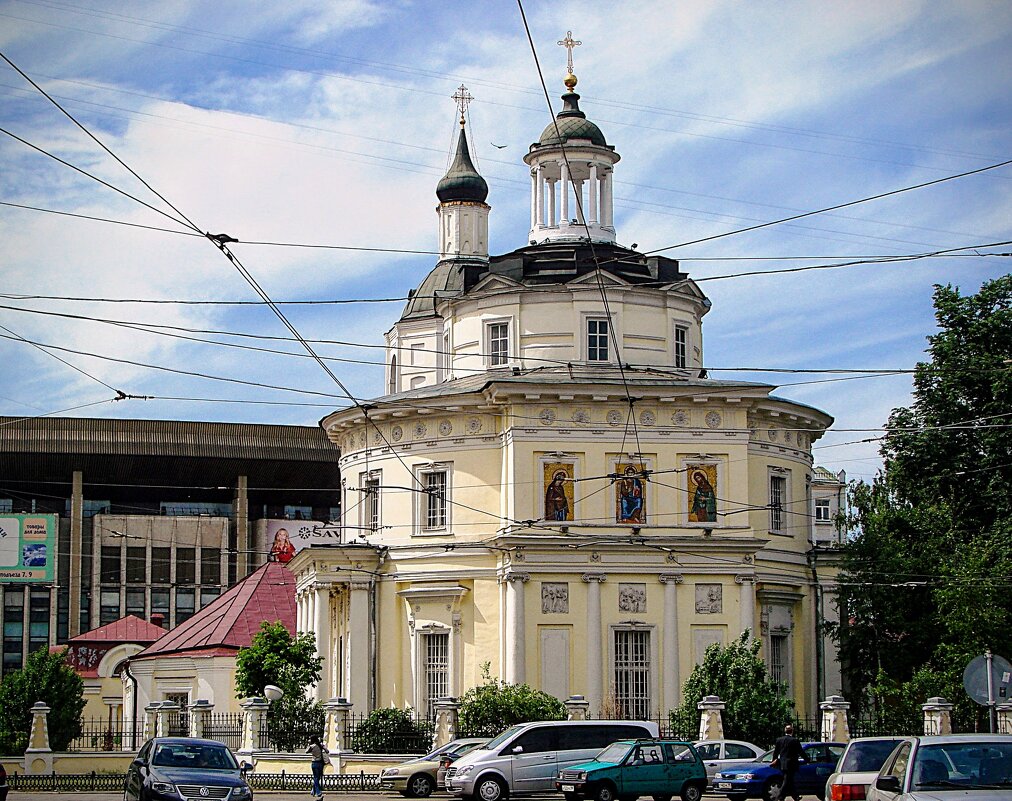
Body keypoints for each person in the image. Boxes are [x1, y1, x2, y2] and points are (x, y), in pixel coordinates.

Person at [771, 723, 803, 801]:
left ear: (785, 731)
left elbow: (776, 752)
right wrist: (807, 760)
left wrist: (773, 760)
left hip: (782, 763)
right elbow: (801, 752)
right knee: (787, 780)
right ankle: (780, 797)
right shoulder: (795, 740)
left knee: (789, 780)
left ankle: (795, 796)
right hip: (791, 764)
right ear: (792, 731)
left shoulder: (779, 740)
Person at [307, 733, 329, 799]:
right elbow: (327, 751)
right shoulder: (321, 745)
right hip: (321, 763)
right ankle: (313, 791)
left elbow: (306, 751)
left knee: (316, 778)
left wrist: (309, 744)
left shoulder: (312, 746)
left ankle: (318, 792)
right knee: (318, 777)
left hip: (315, 763)